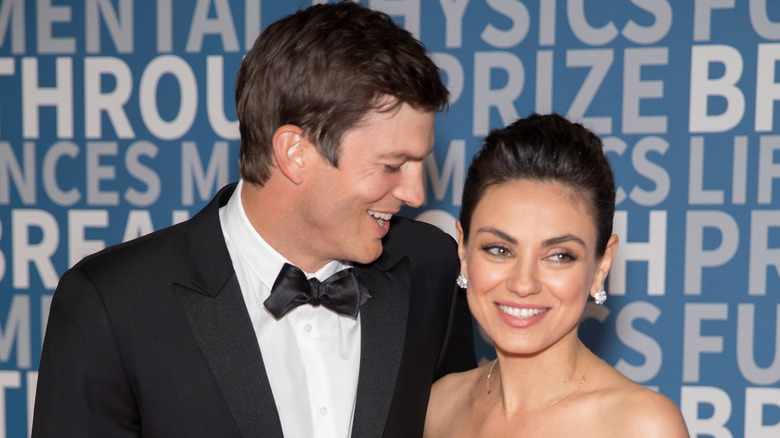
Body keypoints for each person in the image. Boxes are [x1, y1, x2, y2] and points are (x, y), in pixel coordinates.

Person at [32, 2, 475, 437]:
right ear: (295, 153)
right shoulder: (112, 304)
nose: (415, 194)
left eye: (421, 165)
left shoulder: (430, 270)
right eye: (393, 165)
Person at [423, 113, 689, 437]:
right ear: (463, 251)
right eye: (499, 249)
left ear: (601, 265)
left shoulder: (640, 425)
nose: (523, 284)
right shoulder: (439, 406)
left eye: (559, 256)